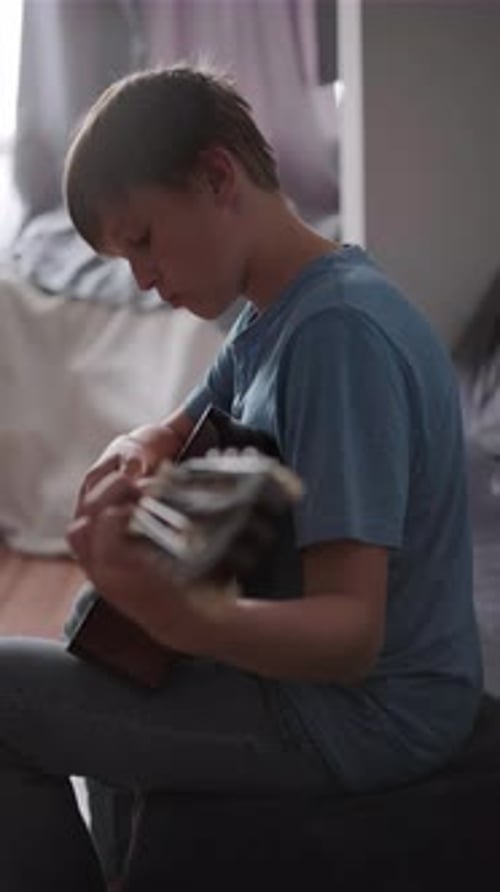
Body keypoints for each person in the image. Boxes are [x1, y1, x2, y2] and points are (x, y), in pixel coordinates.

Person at [0, 65, 483, 889]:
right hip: (337, 696)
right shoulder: (281, 309)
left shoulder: (337, 339)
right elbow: (183, 423)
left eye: (143, 239)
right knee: (95, 630)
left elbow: (350, 634)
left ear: (218, 176)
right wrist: (136, 451)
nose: (143, 280)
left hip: (365, 716)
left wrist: (184, 617)